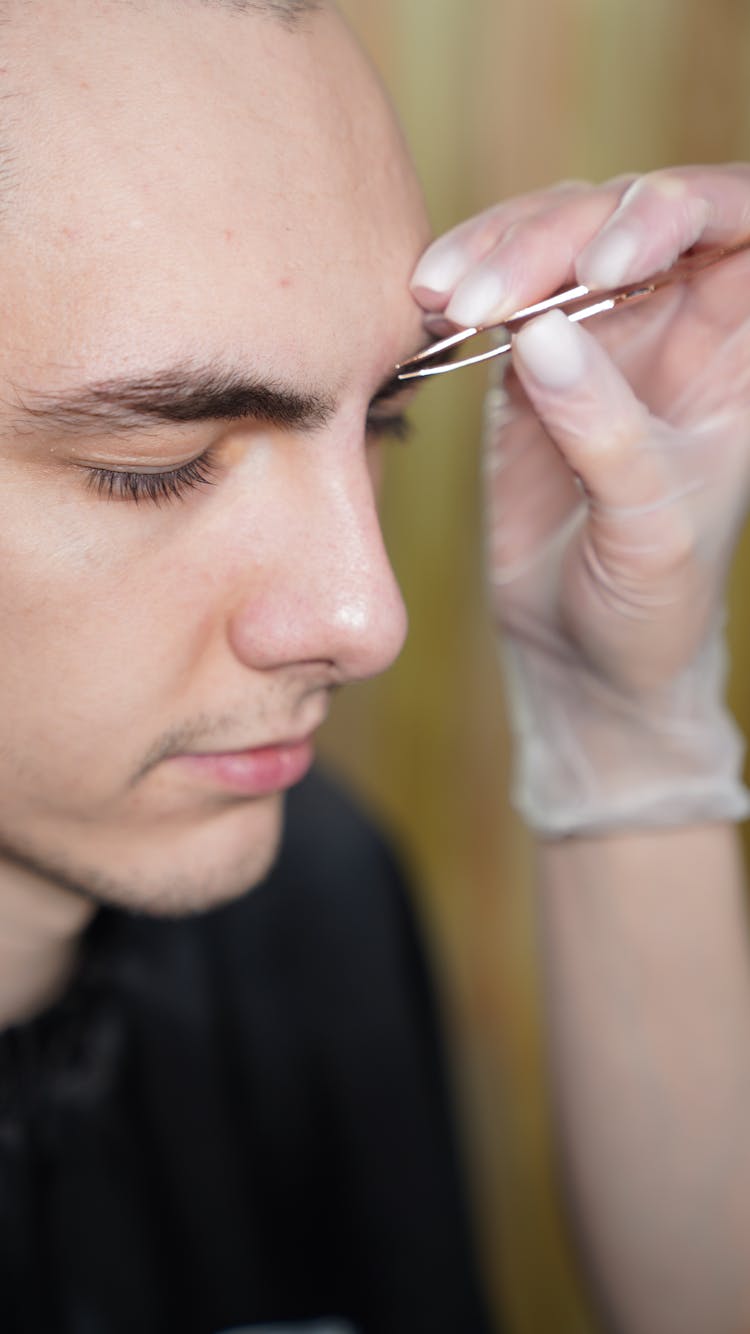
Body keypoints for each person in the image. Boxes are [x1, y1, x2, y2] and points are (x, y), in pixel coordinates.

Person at [0, 0, 748, 1330]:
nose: (367, 616)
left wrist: (624, 730)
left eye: (385, 423)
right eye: (152, 467)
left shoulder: (310, 905)